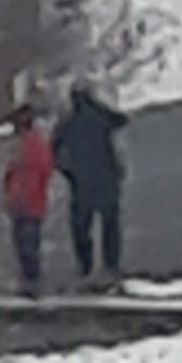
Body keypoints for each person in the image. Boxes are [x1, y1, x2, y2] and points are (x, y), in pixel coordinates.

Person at [52, 82, 128, 286]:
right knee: (110, 225)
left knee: (81, 227)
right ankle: (111, 266)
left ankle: (85, 267)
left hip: (81, 183)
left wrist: (67, 172)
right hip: (106, 178)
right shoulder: (101, 116)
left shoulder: (68, 123)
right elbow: (121, 120)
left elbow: (54, 148)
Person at [2, 103, 54, 297]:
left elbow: (36, 172)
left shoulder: (30, 145)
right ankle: (30, 281)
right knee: (24, 242)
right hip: (26, 200)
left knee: (27, 243)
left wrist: (18, 193)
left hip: (28, 201)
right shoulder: (30, 143)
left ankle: (32, 282)